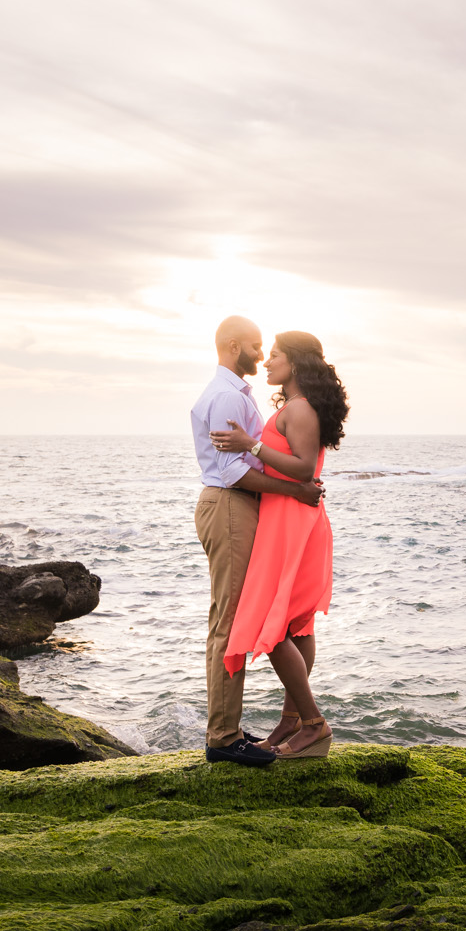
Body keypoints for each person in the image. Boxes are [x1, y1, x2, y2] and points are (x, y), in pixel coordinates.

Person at [209, 329, 348, 759]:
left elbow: (304, 469)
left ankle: (312, 724)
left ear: (295, 363)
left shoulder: (301, 409)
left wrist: (251, 444)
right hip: (289, 519)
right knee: (295, 624)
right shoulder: (294, 407)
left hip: (292, 522)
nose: (267, 362)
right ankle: (293, 723)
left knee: (274, 627)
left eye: (275, 355)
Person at [191, 315, 323, 768]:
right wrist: (298, 490)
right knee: (230, 620)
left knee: (253, 618)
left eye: (269, 349)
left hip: (241, 507)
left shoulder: (238, 394)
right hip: (230, 504)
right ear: (232, 346)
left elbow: (270, 458)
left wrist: (295, 486)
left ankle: (235, 727)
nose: (261, 354)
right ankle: (224, 736)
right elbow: (233, 470)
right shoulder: (228, 395)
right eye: (254, 345)